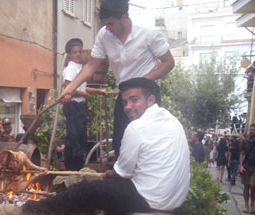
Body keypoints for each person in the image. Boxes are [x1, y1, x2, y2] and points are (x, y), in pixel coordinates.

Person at [2, 78, 189, 215]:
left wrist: (110, 175)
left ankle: (27, 214)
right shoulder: (172, 121)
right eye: (125, 102)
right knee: (100, 188)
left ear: (150, 100)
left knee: (86, 189)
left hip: (150, 199)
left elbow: (122, 172)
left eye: (134, 100)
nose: (128, 107)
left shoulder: (137, 127)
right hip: (174, 200)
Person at [59, 0, 174, 158]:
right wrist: (70, 88)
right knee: (120, 142)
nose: (108, 28)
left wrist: (143, 80)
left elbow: (169, 62)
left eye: (111, 23)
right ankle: (123, 180)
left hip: (148, 96)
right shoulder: (104, 35)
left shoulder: (148, 33)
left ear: (124, 17)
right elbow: (92, 64)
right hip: (124, 95)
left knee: (148, 143)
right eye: (105, 24)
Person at [62, 38, 110, 170]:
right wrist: (83, 95)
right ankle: (73, 168)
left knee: (81, 137)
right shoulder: (71, 69)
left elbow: (83, 88)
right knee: (75, 138)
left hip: (79, 106)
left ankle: (77, 165)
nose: (78, 54)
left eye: (80, 52)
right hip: (73, 106)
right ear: (69, 54)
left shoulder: (80, 68)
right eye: (75, 52)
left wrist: (99, 91)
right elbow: (68, 89)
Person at [239, 124, 255, 214]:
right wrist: (241, 165)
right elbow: (241, 153)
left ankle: (252, 205)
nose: (251, 131)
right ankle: (246, 205)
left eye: (253, 130)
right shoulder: (245, 142)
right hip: (246, 166)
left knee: (253, 186)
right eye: (250, 129)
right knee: (246, 186)